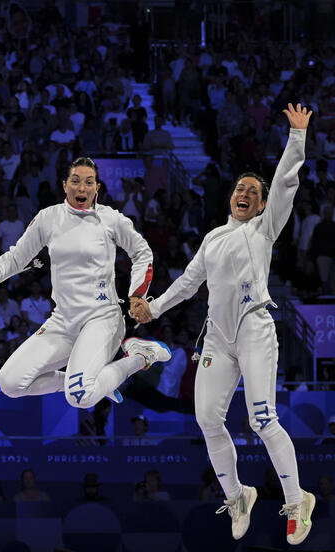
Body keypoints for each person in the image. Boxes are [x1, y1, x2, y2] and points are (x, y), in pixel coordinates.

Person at [131, 104, 315, 545]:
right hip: (217, 336)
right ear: (231, 195)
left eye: (253, 190)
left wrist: (296, 138)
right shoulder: (213, 238)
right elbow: (189, 282)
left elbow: (286, 181)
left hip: (254, 328)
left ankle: (297, 500)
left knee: (262, 419)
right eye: (240, 187)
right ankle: (238, 495)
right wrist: (152, 309)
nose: (244, 192)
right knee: (207, 419)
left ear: (262, 203)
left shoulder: (264, 230)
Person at [0, 156, 168, 410]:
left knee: (79, 398)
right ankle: (96, 383)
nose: (82, 188)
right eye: (76, 181)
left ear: (97, 188)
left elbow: (142, 253)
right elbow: (14, 259)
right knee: (10, 383)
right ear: (64, 185)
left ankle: (141, 355)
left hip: (102, 319)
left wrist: (136, 295)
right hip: (63, 321)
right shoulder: (48, 218)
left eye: (89, 182)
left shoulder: (111, 219)